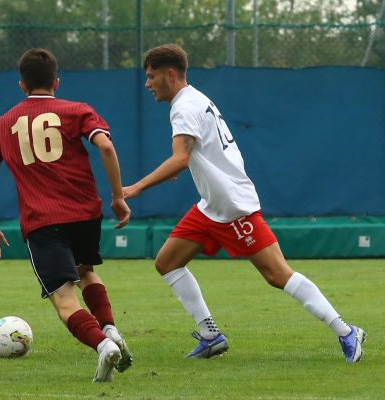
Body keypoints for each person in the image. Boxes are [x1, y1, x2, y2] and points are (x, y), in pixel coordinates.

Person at [122, 43, 366, 362]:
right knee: (167, 262)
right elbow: (190, 154)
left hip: (233, 207)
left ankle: (346, 331)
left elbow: (180, 158)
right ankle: (211, 335)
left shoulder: (184, 106)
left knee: (277, 274)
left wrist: (136, 187)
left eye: (151, 76)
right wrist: (187, 162)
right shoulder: (194, 99)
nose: (147, 83)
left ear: (170, 74)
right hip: (212, 206)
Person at [0, 48, 133, 382]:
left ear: (21, 85)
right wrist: (118, 196)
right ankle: (110, 327)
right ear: (57, 81)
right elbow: (104, 145)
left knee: (64, 299)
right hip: (86, 214)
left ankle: (103, 345)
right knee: (86, 271)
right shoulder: (77, 111)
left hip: (43, 221)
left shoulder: (5, 123)